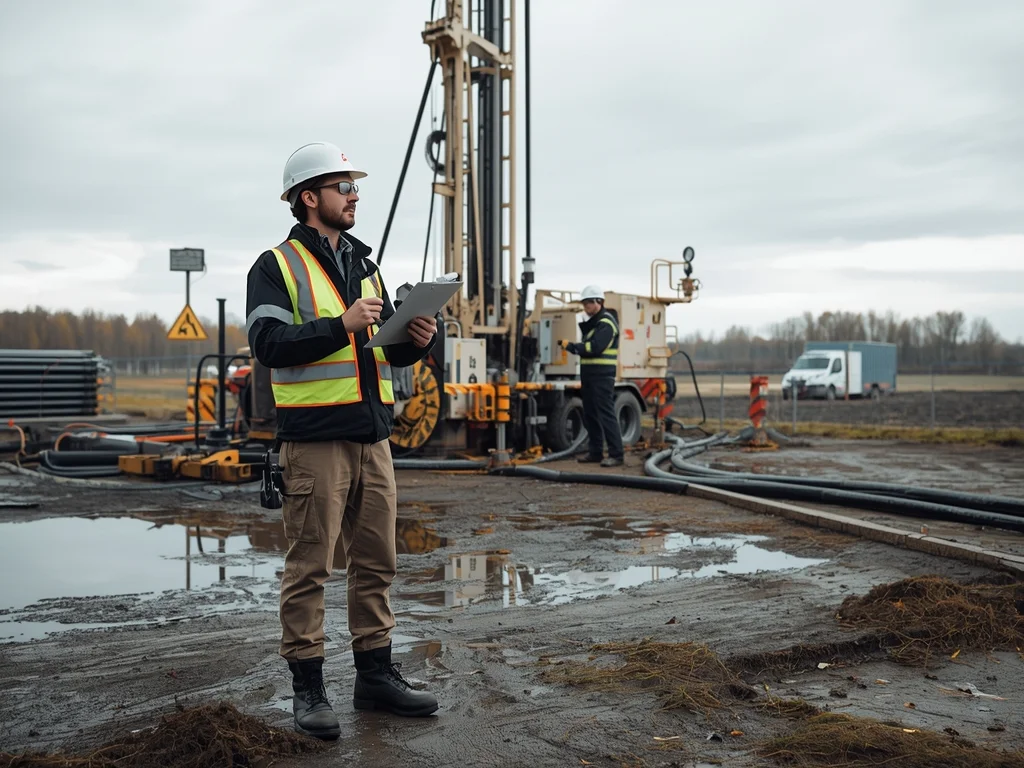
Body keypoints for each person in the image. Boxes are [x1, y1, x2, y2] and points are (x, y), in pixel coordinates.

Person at [245, 141, 440, 740]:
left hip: (372, 434)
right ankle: (308, 690)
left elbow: (378, 346)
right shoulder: (274, 266)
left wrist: (417, 337)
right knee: (310, 565)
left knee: (377, 560)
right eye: (343, 187)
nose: (354, 195)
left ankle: (374, 677)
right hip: (315, 440)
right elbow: (269, 345)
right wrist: (341, 325)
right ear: (310, 198)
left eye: (355, 187)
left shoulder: (364, 262)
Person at [562, 285, 624, 467]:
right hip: (590, 376)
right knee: (591, 415)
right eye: (585, 303)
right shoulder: (594, 324)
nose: (586, 307)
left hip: (602, 376)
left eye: (589, 303)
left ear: (599, 302)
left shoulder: (607, 323)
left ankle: (617, 454)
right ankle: (595, 452)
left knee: (606, 414)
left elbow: (595, 347)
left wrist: (574, 347)